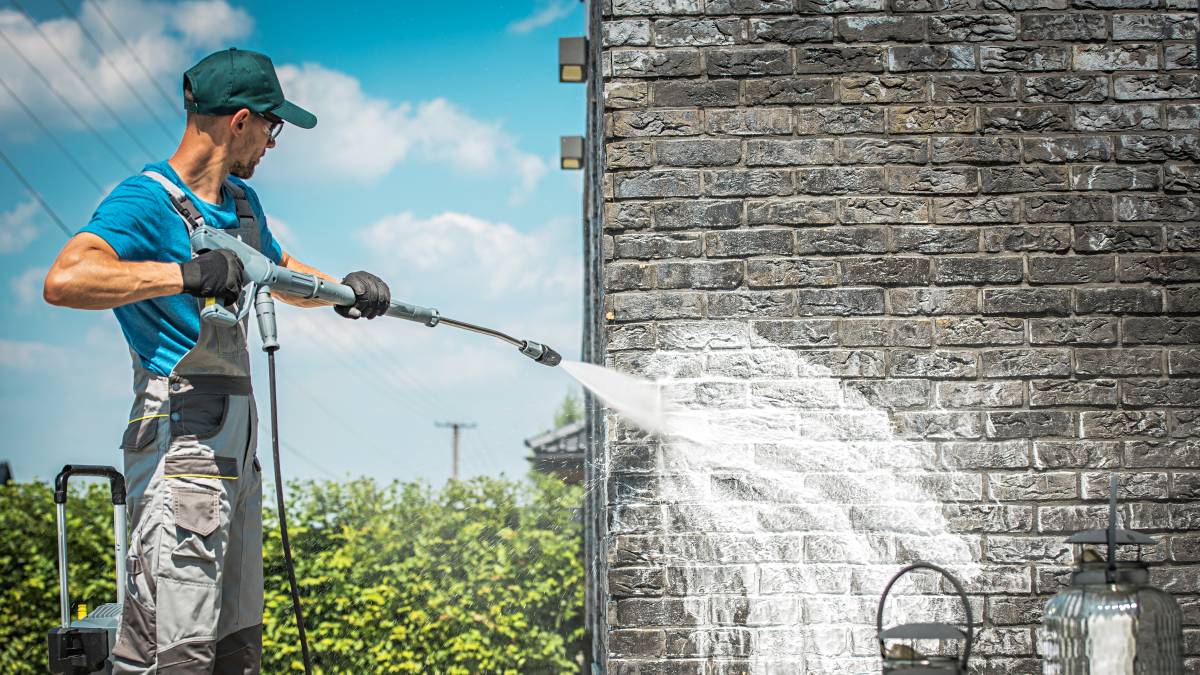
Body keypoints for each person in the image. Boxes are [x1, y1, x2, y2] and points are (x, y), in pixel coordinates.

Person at [42, 48, 390, 673]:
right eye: (272, 126)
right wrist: (184, 274)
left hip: (238, 447)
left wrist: (344, 292)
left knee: (235, 641)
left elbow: (279, 276)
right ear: (239, 121)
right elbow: (67, 278)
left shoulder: (244, 207)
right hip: (183, 445)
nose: (273, 142)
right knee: (176, 651)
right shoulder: (145, 201)